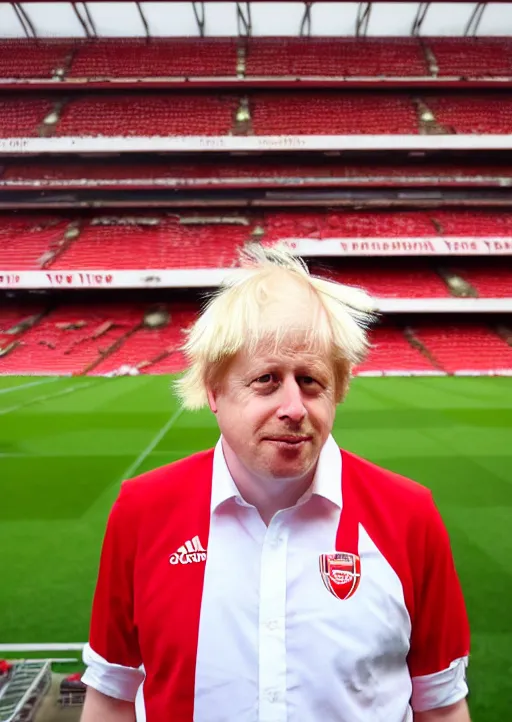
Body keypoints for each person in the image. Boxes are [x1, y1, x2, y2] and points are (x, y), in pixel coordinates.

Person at [80, 245, 471, 722]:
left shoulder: (409, 515)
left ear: (340, 389)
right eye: (266, 379)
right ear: (214, 390)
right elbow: (112, 695)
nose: (293, 407)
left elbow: (442, 706)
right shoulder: (142, 510)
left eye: (310, 381)